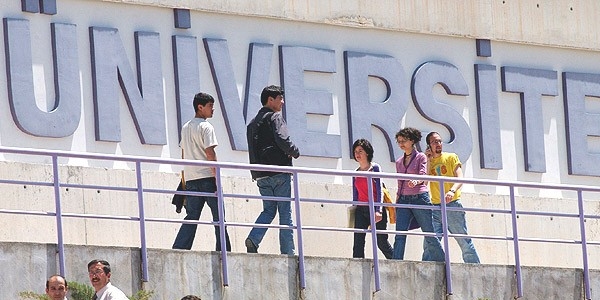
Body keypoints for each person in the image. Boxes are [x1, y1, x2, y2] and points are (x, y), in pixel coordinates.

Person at [172, 92, 231, 252]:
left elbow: (183, 154)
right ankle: (224, 251)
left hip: (191, 179)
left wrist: (184, 179)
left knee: (191, 217)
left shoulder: (185, 127)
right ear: (200, 107)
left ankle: (179, 249)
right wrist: (217, 177)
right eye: (210, 106)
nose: (213, 109)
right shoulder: (206, 127)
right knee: (219, 218)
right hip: (207, 177)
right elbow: (210, 153)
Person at [245, 85, 300, 255]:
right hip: (279, 173)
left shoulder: (252, 123)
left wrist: (256, 172)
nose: (282, 102)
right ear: (271, 99)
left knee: (268, 210)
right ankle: (288, 253)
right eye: (280, 98)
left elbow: (252, 150)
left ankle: (253, 238)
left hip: (261, 175)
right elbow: (283, 139)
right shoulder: (275, 117)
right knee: (285, 213)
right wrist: (295, 152)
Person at [426, 131, 480, 263]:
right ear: (429, 145)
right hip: (435, 207)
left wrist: (452, 191)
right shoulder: (428, 162)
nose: (438, 144)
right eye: (434, 142)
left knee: (463, 240)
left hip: (452, 205)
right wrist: (427, 160)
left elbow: (460, 177)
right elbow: (425, 181)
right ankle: (426, 268)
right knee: (430, 242)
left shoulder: (451, 157)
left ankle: (475, 267)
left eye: (439, 141)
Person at [392, 128, 445, 261]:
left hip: (419, 198)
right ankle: (396, 262)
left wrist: (415, 181)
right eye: (399, 141)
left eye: (404, 141)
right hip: (403, 199)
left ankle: (442, 262)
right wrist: (397, 200)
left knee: (429, 233)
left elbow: (423, 175)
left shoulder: (421, 156)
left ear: (412, 141)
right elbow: (400, 182)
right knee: (399, 234)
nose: (401, 144)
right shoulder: (399, 161)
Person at [350, 138, 393, 259]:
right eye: (355, 151)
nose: (357, 154)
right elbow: (355, 194)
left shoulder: (375, 168)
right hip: (361, 210)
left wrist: (378, 210)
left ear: (367, 152)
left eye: (360, 151)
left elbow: (379, 189)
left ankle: (396, 261)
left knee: (381, 242)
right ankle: (357, 268)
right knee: (358, 242)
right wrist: (353, 211)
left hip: (375, 208)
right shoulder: (355, 172)